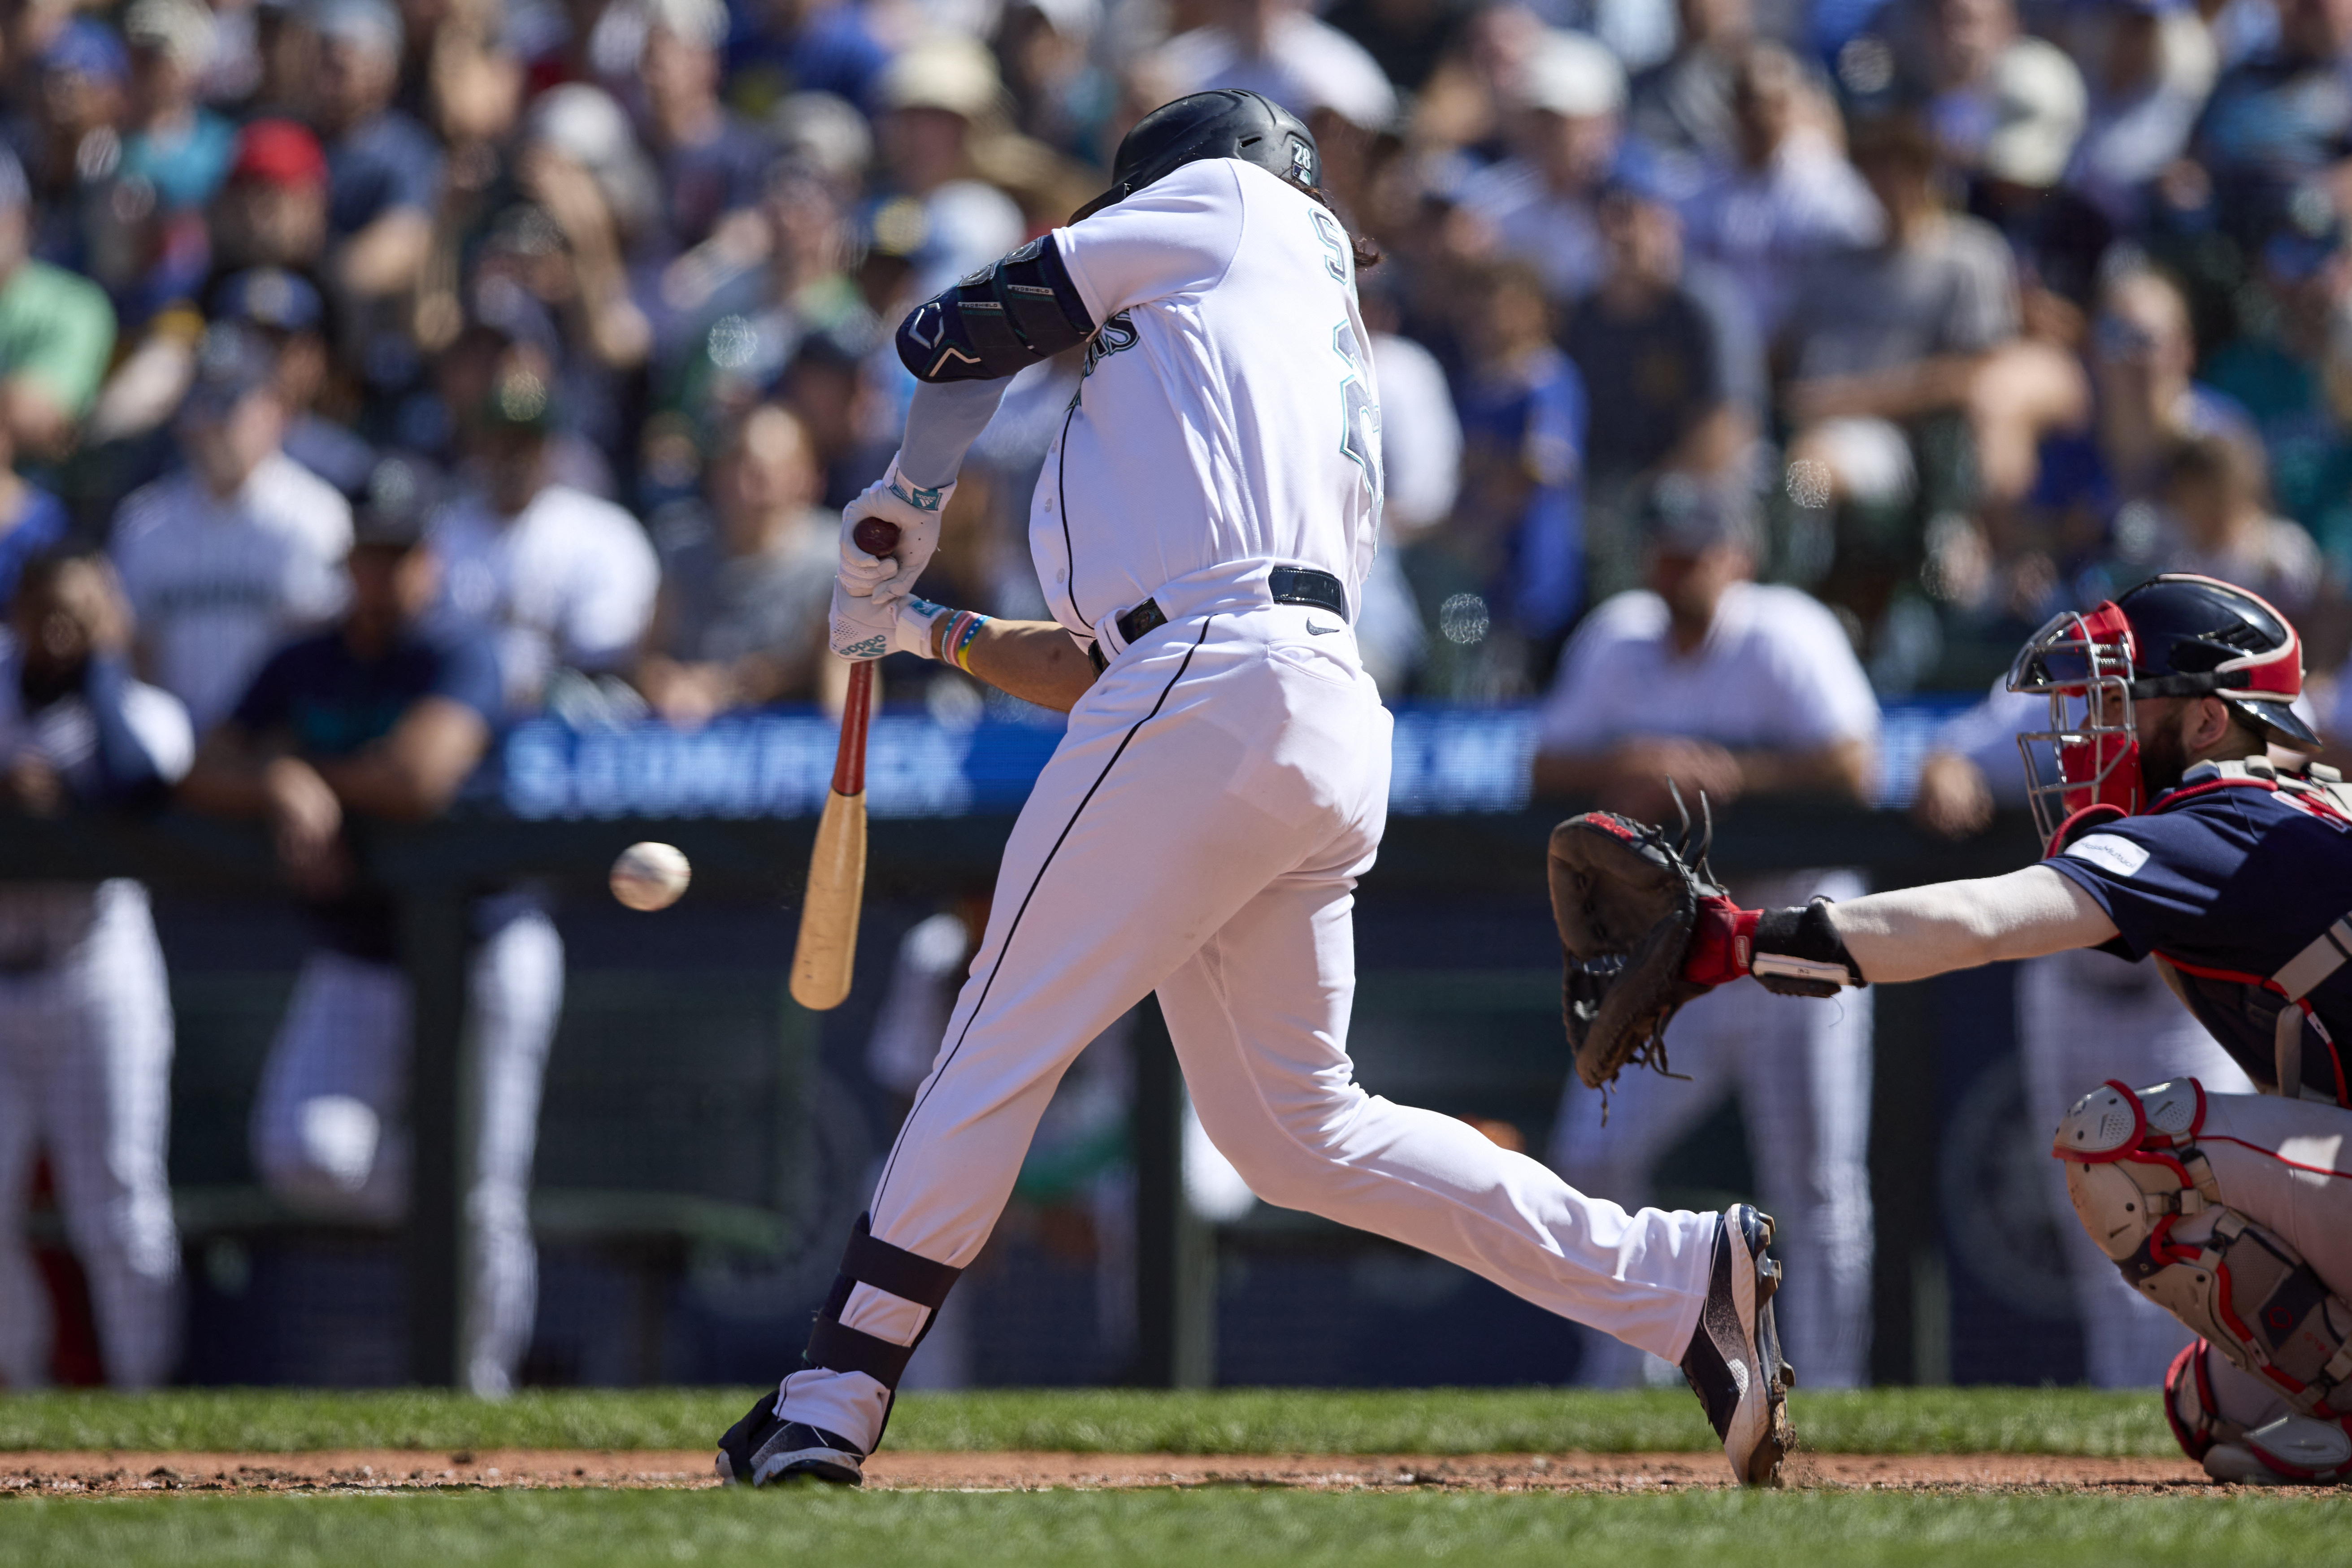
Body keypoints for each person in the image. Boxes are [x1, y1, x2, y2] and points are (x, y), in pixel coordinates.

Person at [715, 89, 1795, 1492]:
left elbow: (952, 332)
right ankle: (1672, 1275)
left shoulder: (1235, 204)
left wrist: (906, 498)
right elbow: (1107, 658)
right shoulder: (1246, 354)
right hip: (1291, 705)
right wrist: (914, 625)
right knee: (1299, 1129)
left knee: (992, 1034)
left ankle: (831, 1389)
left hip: (1218, 684)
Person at [1674, 573, 2352, 1483]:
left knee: (2123, 1147)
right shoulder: (2283, 802)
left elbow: (1986, 919)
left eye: (2117, 702)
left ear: (2203, 722)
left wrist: (1746, 941)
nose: (2086, 734)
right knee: (2212, 1407)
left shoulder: (2223, 818)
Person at [178, 456, 556, 1397]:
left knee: (487, 1192)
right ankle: (446, 1192)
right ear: (347, 560)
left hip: (482, 947)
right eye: (369, 554)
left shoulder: (459, 648)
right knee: (302, 1151)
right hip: (361, 955)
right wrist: (276, 779)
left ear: (428, 560)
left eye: (400, 553)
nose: (383, 572)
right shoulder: (303, 656)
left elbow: (419, 780)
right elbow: (200, 765)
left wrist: (299, 767)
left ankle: (482, 1392)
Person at [1531, 477, 1881, 1389]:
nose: (1679, 565)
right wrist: (1629, 763)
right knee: (1594, 1150)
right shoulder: (1618, 637)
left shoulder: (1786, 631)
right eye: (1667, 549)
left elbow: (1855, 765)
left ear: (1738, 554)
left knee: (1816, 1182)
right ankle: (1616, 1372)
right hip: (1679, 949)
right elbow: (1544, 764)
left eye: (1698, 548)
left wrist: (1728, 775)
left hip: (1792, 938)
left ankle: (1836, 1387)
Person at [0, 547, 191, 1390]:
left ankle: (142, 1392)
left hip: (97, 969)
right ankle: (23, 1388)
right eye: (45, 610)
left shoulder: (145, 708)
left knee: (118, 1203)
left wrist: (107, 662)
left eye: (78, 613)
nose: (59, 629)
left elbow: (137, 778)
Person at [108, 326, 352, 732]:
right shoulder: (143, 522)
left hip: (278, 745)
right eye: (200, 403)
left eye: (229, 402)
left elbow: (331, 655)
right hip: (175, 758)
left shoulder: (319, 518)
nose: (212, 421)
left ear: (275, 410)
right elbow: (134, 656)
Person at [636, 402, 840, 721]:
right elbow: (649, 654)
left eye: (766, 475)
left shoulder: (838, 562)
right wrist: (669, 687)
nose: (748, 487)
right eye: (738, 466)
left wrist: (735, 686)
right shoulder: (680, 547)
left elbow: (842, 680)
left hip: (788, 737)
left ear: (806, 478)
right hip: (688, 734)